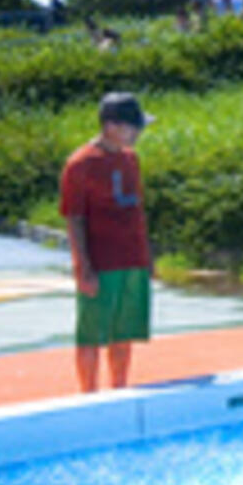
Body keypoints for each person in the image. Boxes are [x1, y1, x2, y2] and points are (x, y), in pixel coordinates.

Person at [60, 92, 155, 392]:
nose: (138, 133)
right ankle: (88, 394)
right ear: (111, 125)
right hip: (101, 263)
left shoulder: (131, 158)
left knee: (124, 332)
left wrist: (147, 256)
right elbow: (74, 218)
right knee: (91, 335)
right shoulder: (80, 163)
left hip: (132, 259)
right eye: (133, 127)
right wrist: (82, 267)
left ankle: (120, 388)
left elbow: (137, 209)